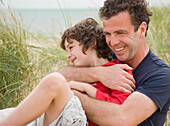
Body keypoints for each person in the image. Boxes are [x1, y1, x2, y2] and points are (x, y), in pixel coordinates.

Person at [0, 18, 132, 126]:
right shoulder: (79, 71)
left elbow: (118, 108)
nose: (68, 56)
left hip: (81, 122)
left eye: (71, 48)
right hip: (54, 117)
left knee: (55, 81)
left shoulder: (119, 71)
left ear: (92, 42)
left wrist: (85, 88)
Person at [58, 0, 170, 126]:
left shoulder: (161, 75)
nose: (113, 42)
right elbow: (62, 74)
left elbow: (121, 119)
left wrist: (69, 95)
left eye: (120, 33)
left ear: (141, 30)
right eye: (108, 34)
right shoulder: (107, 56)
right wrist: (98, 73)